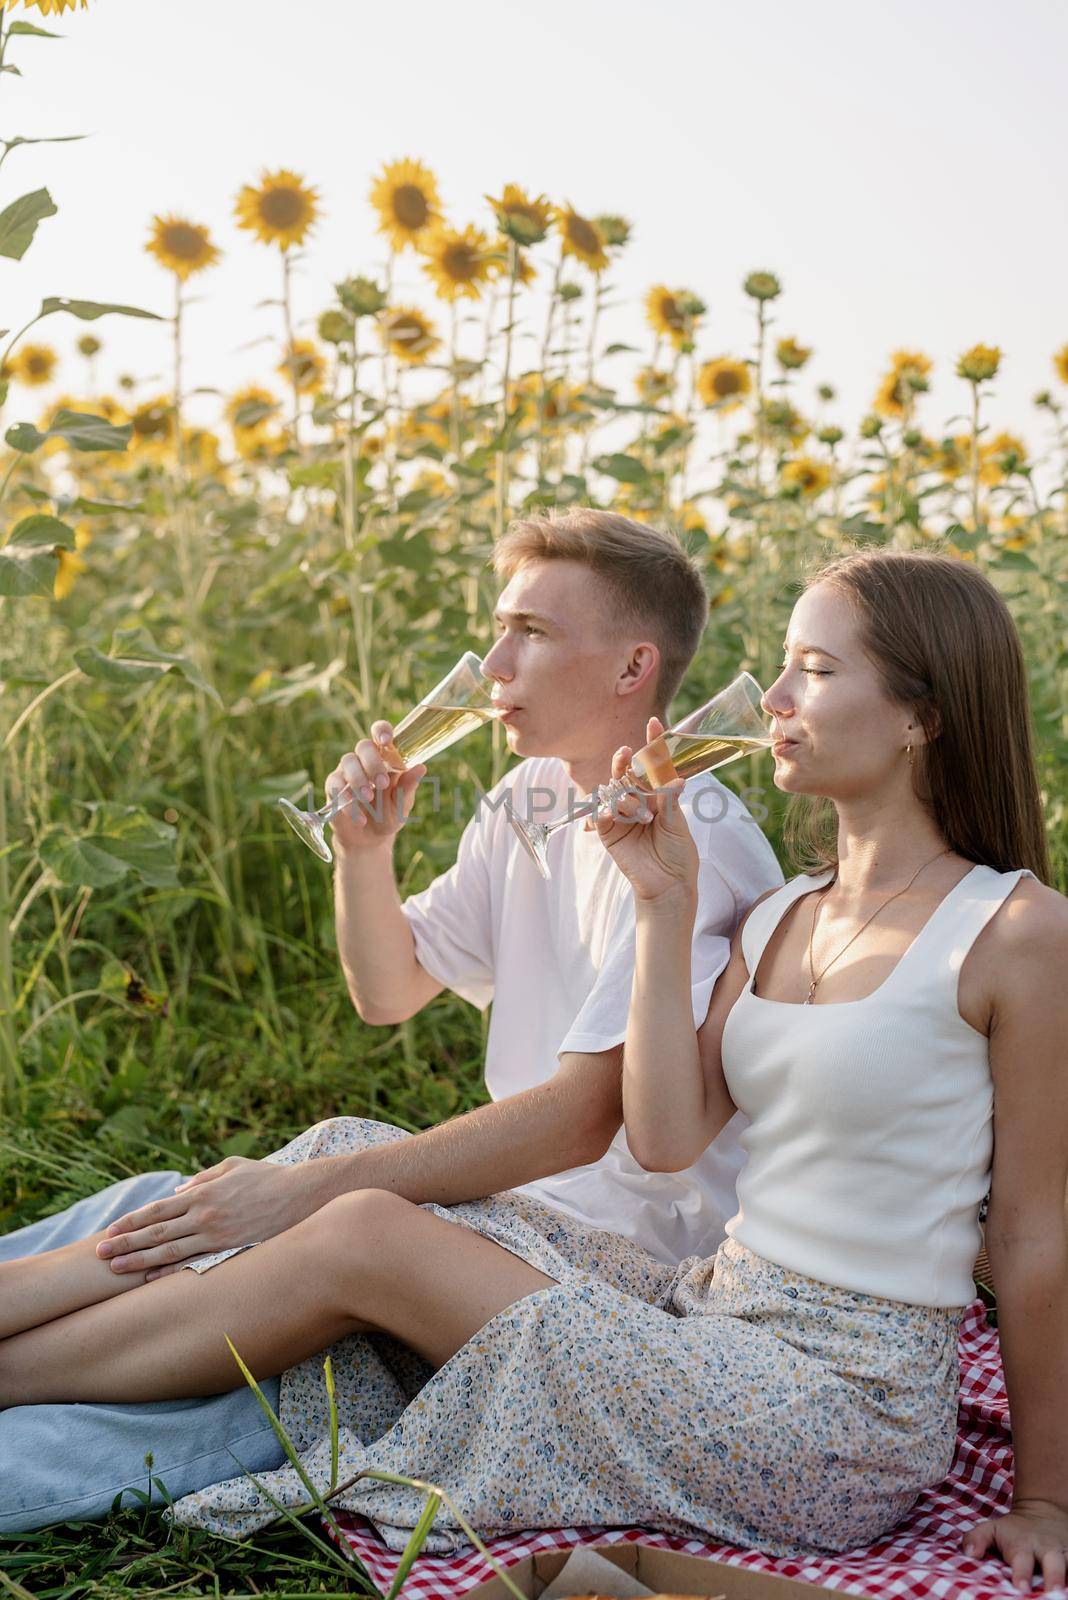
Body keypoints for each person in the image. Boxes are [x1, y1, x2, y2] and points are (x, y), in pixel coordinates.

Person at [2, 549, 1065, 1593]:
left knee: (366, 1223)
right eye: (784, 664)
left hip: (839, 1414)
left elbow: (1032, 1232)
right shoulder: (785, 912)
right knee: (352, 1153)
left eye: (817, 673)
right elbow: (663, 1133)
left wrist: (1048, 1497)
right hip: (711, 1317)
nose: (776, 696)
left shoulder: (1016, 932)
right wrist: (661, 905)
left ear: (924, 713)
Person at [0, 509, 781, 1534]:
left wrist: (297, 1196)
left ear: (635, 666)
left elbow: (580, 1122)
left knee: (262, 1319)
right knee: (171, 1209)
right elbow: (391, 990)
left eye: (532, 633)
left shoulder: (699, 841)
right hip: (499, 1215)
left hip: (606, 1262)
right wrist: (364, 853)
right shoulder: (530, 797)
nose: (494, 662)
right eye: (499, 628)